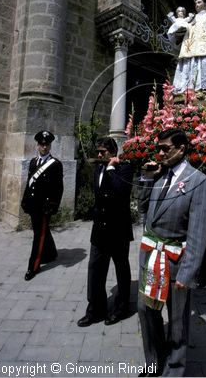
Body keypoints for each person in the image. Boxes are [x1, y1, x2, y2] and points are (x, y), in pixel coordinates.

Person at [138, 129, 206, 377]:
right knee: (146, 310)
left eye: (165, 148)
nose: (159, 152)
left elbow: (198, 233)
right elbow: (143, 209)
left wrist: (188, 273)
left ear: (181, 149)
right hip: (151, 260)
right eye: (157, 147)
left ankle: (175, 368)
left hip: (176, 263)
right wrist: (147, 179)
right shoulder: (158, 175)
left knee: (178, 320)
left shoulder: (199, 181)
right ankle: (153, 361)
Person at [77, 137, 134, 327]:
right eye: (98, 151)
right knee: (95, 269)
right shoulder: (98, 168)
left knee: (121, 269)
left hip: (118, 229)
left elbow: (121, 190)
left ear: (113, 152)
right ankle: (95, 309)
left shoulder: (125, 168)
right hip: (100, 229)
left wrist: (111, 168)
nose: (99, 155)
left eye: (103, 152)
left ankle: (122, 307)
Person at [21, 130, 63, 281]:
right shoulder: (33, 162)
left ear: (50, 146)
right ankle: (51, 253)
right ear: (38, 145)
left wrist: (53, 205)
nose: (44, 147)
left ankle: (33, 266)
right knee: (41, 231)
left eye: (47, 145)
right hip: (33, 205)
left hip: (44, 207)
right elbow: (29, 183)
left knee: (38, 235)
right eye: (42, 144)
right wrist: (25, 200)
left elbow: (59, 188)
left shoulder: (56, 164)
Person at [168, 0, 206, 95]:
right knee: (188, 75)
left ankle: (203, 92)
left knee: (202, 73)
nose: (196, 5)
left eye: (199, 2)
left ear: (205, 3)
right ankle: (186, 93)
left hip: (203, 50)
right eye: (196, 3)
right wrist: (179, 31)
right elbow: (185, 30)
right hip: (190, 51)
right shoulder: (192, 18)